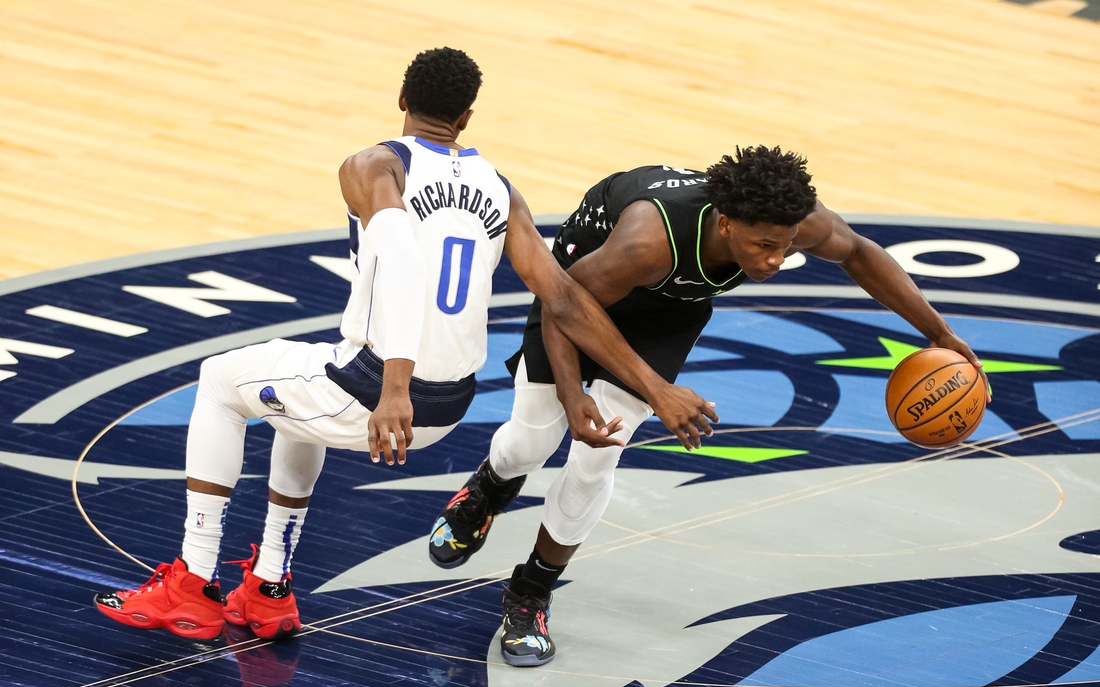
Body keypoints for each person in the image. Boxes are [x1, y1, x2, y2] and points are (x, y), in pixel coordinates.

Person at [93, 48, 717, 642]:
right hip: (452, 405)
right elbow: (562, 298)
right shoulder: (500, 188)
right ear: (467, 116)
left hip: (381, 391)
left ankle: (193, 580)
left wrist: (394, 387)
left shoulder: (374, 166)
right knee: (289, 397)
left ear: (400, 97)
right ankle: (268, 587)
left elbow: (401, 261)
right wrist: (646, 387)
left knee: (218, 380)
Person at [428, 147, 990, 667]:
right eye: (763, 246)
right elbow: (564, 305)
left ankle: (531, 591)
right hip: (577, 291)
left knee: (598, 455)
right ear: (725, 224)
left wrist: (940, 333)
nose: (774, 261)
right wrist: (582, 398)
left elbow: (861, 254)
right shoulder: (648, 240)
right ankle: (490, 487)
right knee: (534, 439)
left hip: (666, 312)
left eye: (786, 245)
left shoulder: (792, 219)